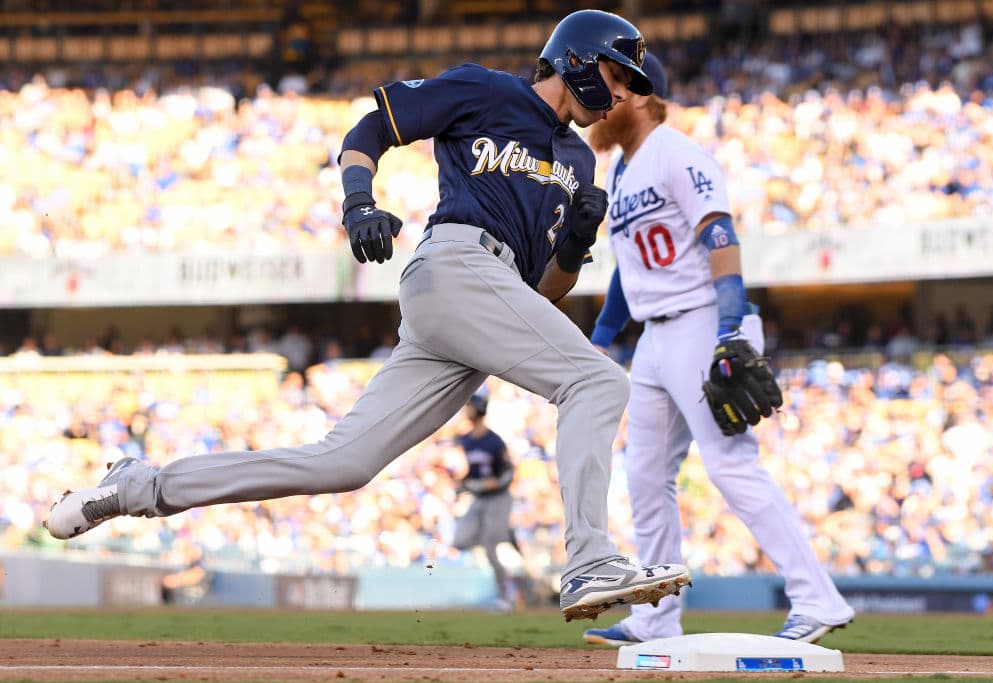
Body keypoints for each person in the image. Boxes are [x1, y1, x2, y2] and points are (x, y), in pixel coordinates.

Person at [45, 9, 691, 623]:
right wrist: (358, 202)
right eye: (615, 74)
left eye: (630, 84)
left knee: (341, 464)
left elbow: (540, 294)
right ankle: (588, 560)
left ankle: (140, 487)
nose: (621, 92)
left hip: (482, 308)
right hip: (457, 266)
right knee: (599, 380)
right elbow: (369, 129)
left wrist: (575, 245)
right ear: (575, 58)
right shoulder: (487, 89)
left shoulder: (579, 162)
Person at [581, 54, 855, 645]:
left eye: (607, 91)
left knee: (731, 466)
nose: (598, 106)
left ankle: (817, 598)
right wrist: (602, 339)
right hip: (655, 337)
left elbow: (720, 235)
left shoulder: (678, 153)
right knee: (646, 477)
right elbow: (629, 273)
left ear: (637, 92)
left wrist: (731, 326)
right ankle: (655, 617)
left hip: (703, 320)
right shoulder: (622, 173)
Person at [451, 392, 518, 612]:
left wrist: (495, 483)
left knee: (490, 547)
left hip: (497, 498)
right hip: (480, 498)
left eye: (469, 406)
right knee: (460, 540)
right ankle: (503, 533)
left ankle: (506, 595)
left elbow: (508, 472)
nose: (466, 410)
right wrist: (463, 484)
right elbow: (473, 472)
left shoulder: (494, 440)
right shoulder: (467, 440)